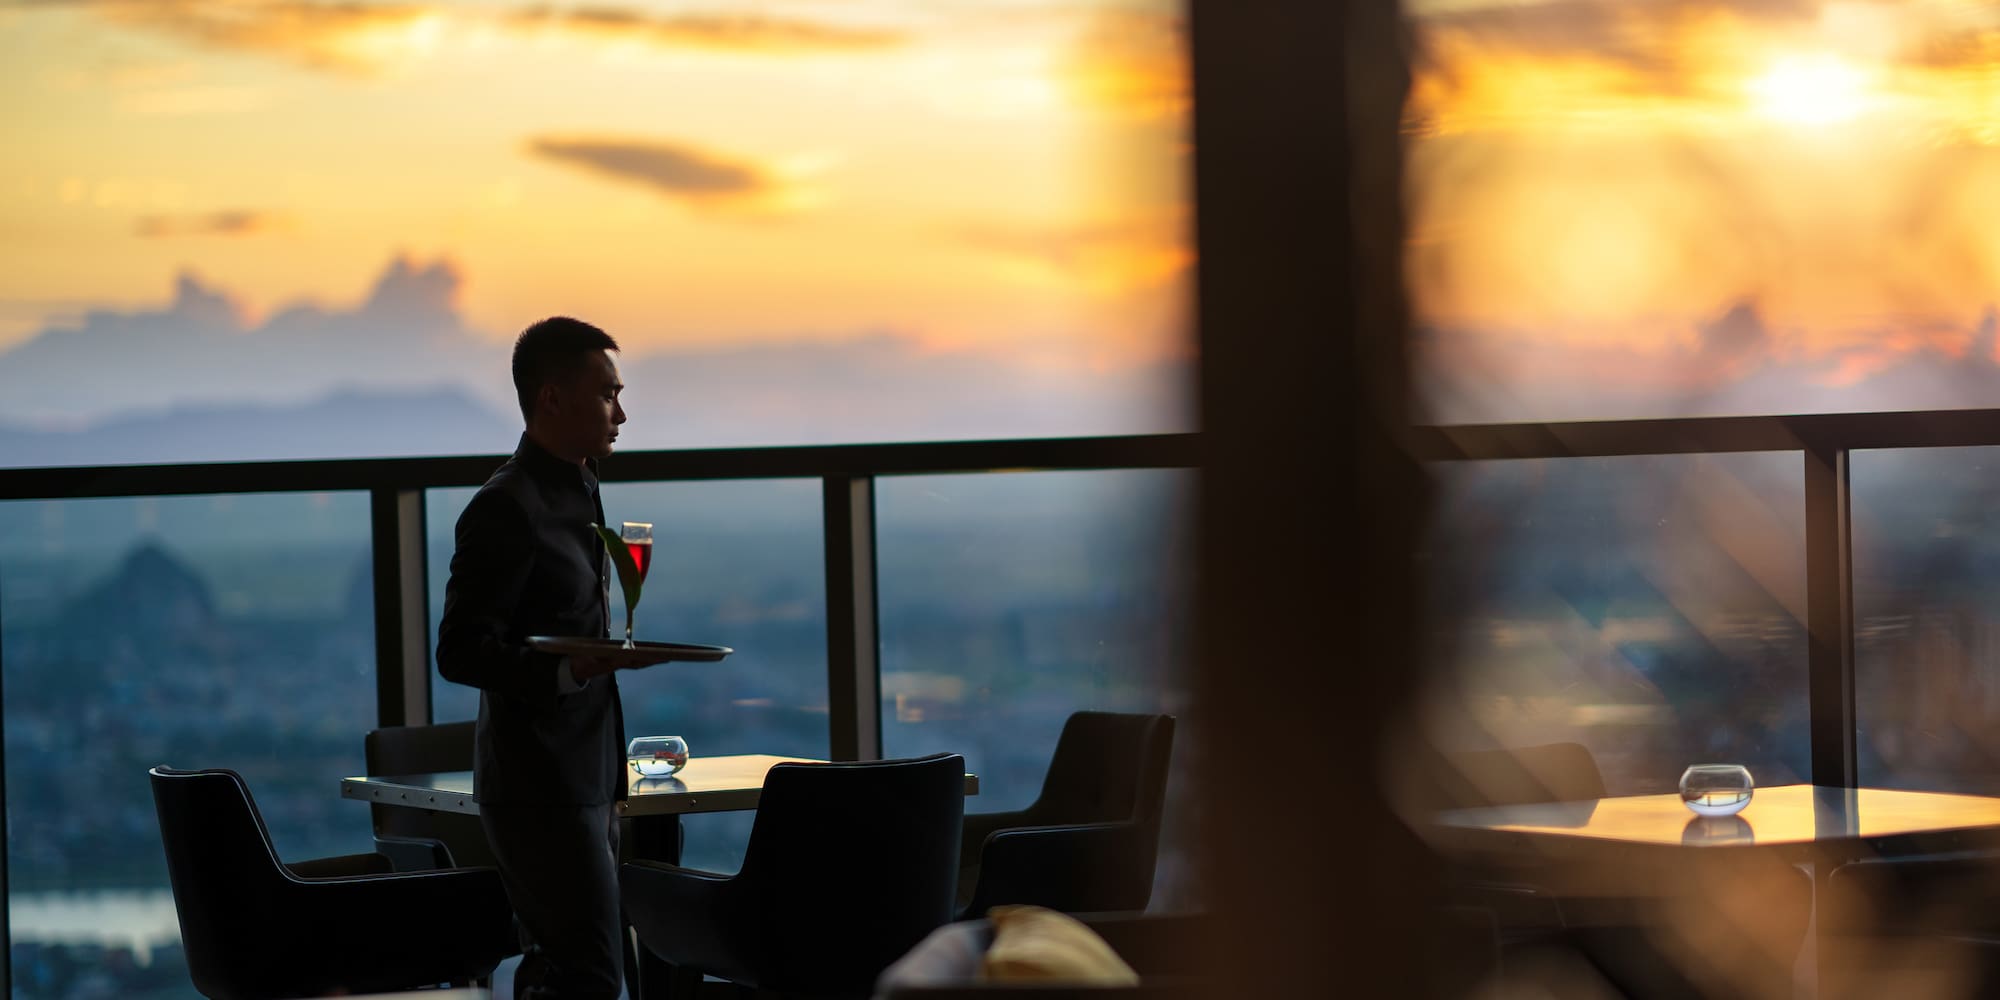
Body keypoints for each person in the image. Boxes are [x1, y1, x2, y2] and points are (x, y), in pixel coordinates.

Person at [437, 316, 635, 999]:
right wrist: (564, 670)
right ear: (552, 399)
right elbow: (460, 651)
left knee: (574, 969)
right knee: (594, 978)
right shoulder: (505, 508)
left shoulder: (580, 490)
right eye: (608, 394)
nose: (622, 413)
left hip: (591, 775)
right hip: (538, 787)